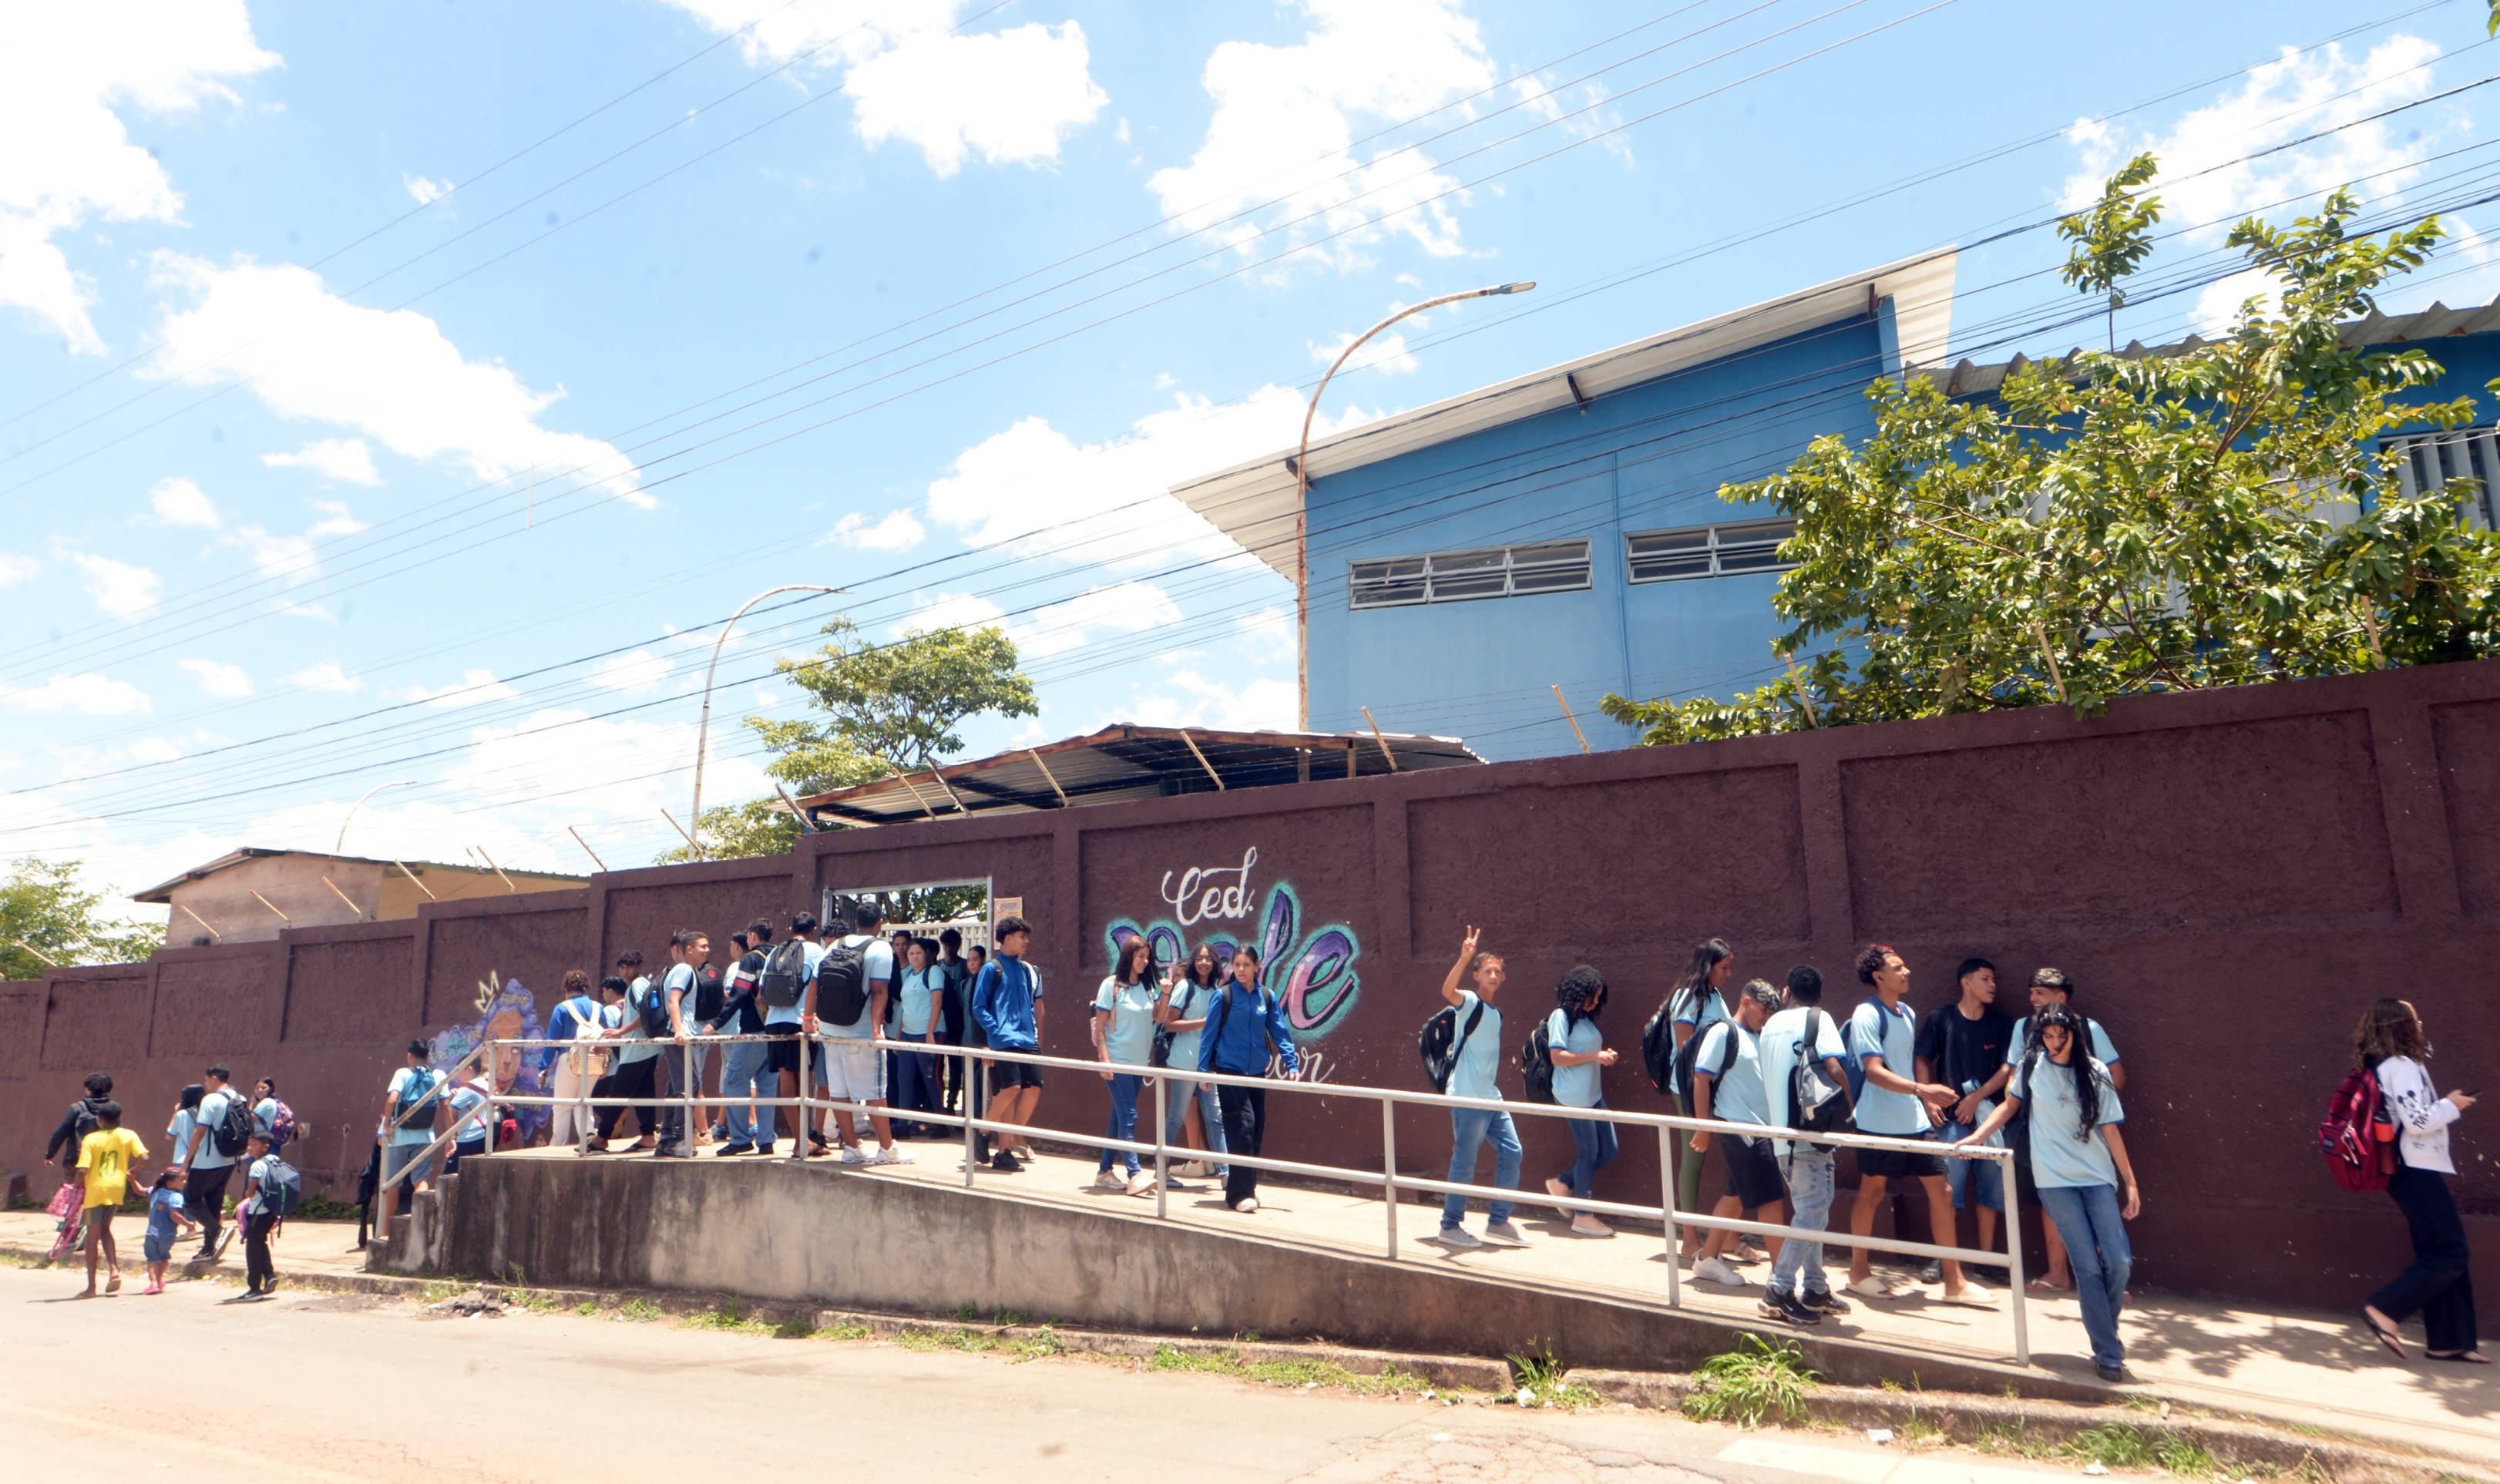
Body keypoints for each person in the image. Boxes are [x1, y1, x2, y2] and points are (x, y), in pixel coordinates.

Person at [1958, 1002, 2140, 1380]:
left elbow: (2110, 1129)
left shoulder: (2095, 1071)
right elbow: (2009, 1107)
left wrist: (2131, 1182)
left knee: (2120, 1261)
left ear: (2075, 1035)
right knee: (2087, 1266)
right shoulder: (2031, 1068)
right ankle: (2108, 1351)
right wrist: (1977, 1136)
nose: (2055, 1043)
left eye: (2062, 1035)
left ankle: (2105, 1331)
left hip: (2097, 1177)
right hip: (2054, 1180)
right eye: (2048, 1035)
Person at [1844, 945, 1989, 1304]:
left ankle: (1954, 1282)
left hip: (1913, 1121)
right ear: (1879, 976)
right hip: (1877, 1122)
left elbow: (1903, 1066)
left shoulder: (1907, 1012)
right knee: (1872, 1194)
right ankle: (1858, 1273)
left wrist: (1922, 1100)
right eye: (1898, 967)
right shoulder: (1866, 1014)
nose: (1906, 971)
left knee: (1943, 1192)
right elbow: (1873, 1071)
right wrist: (1923, 1090)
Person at [2352, 998, 2480, 1365]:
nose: (2420, 1025)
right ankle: (2384, 1309)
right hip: (2413, 1169)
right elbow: (2418, 1121)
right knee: (2452, 1251)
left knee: (2437, 1251)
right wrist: (2452, 1104)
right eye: (2415, 1020)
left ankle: (2449, 1343)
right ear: (2402, 1027)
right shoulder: (2402, 1066)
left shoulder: (2381, 1066)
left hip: (2406, 1169)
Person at [2009, 967, 2125, 1292]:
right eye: (2031, 992)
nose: (2033, 999)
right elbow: (2013, 1077)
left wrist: (2085, 1107)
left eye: (2041, 992)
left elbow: (2116, 1075)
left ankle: (2111, 1279)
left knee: (2097, 1208)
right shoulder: (2023, 1027)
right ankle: (2058, 1273)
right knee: (2054, 1203)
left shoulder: (2090, 1028)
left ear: (2062, 997)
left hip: (2088, 1141)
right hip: (2044, 1138)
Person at [1757, 964, 1853, 1324]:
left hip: (1782, 1138)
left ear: (1787, 991)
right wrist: (1851, 1108)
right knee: (1812, 1212)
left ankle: (1814, 1287)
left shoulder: (1770, 1025)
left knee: (1811, 1213)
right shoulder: (1819, 1018)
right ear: (1819, 994)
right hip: (1810, 1135)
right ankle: (1779, 1289)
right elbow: (1834, 1068)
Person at [1914, 958, 2014, 1281]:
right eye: (1986, 979)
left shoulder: (2002, 1024)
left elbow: (2007, 1069)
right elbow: (1921, 1058)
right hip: (1950, 1121)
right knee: (1947, 1190)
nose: (1993, 986)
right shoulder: (1941, 1018)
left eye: (1994, 980)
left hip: (1991, 1121)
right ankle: (1944, 1260)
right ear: (1966, 983)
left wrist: (1976, 1097)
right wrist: (1928, 1099)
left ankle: (1986, 1260)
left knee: (1992, 1191)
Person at [1689, 981, 1788, 1290]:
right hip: (1739, 1126)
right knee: (1771, 1199)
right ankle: (1782, 1276)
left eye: (1771, 1013)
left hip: (1761, 1128)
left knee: (1735, 1197)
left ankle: (1707, 1259)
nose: (1766, 1017)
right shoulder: (1723, 1032)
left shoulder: (1760, 1035)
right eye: (1763, 1010)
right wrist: (1703, 1127)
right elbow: (1701, 1078)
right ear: (1746, 1001)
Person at [1429, 927, 1521, 1249]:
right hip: (1467, 1097)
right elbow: (1447, 990)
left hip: (1491, 1098)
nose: (1493, 976)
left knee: (1513, 1152)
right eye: (1487, 971)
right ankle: (1450, 1226)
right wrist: (1465, 956)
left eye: (1498, 972)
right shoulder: (1469, 1002)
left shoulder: (1496, 1014)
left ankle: (1498, 1222)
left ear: (1503, 977)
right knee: (1465, 1160)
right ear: (1477, 975)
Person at [1199, 943, 1300, 1214]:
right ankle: (1238, 1195)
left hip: (1256, 1072)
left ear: (1257, 967)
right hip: (1230, 1071)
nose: (1241, 970)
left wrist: (1292, 1063)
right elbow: (1209, 1035)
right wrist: (1202, 1071)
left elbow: (1279, 1031)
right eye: (1237, 965)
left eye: (1246, 965)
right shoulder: (1224, 996)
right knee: (1242, 1127)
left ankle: (1247, 1189)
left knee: (1255, 1130)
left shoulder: (1266, 997)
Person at [1661, 939, 1737, 1261]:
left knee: (1736, 1154)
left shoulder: (1715, 996)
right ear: (1707, 966)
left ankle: (1728, 1236)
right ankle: (1689, 1239)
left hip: (1716, 1088)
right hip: (1690, 1089)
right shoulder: (1688, 997)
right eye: (1724, 968)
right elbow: (1686, 1048)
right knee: (1694, 1158)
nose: (1729, 974)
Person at [818, 901, 906, 1166]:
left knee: (839, 1091)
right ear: (879, 923)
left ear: (855, 922)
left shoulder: (836, 944)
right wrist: (877, 1030)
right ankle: (887, 1149)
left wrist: (810, 1018)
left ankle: (852, 1147)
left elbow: (815, 982)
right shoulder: (880, 948)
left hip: (830, 1030)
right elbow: (879, 991)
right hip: (861, 1032)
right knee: (875, 1091)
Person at [1542, 965, 1619, 1237]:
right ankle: (1583, 1216)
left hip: (1593, 1095)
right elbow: (1557, 1057)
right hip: (1574, 1097)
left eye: (1599, 997)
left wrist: (1603, 1055)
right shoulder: (1561, 1017)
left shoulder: (1584, 1019)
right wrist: (1595, 1056)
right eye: (1592, 996)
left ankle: (1562, 1183)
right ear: (1578, 992)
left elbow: (1586, 1051)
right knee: (1588, 1152)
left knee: (1609, 1150)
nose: (1596, 1002)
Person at [973, 915, 1046, 1173]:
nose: (1026, 942)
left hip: (1027, 1040)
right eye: (1022, 937)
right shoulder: (991, 968)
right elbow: (978, 1007)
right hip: (1003, 1040)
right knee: (1011, 1089)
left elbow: (1030, 1006)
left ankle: (1004, 1150)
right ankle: (984, 1132)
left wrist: (1034, 1036)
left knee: (1031, 1086)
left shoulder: (1025, 970)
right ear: (1007, 938)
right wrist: (995, 1034)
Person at [1090, 936, 1162, 1195]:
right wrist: (1104, 1060)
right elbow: (1100, 1028)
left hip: (1139, 1064)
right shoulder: (1111, 986)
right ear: (1129, 956)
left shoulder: (1147, 987)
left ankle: (1104, 1172)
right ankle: (1134, 1174)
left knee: (1119, 1116)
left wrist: (1165, 993)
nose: (1145, 961)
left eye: (1147, 957)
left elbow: (1158, 1018)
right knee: (1130, 1116)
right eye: (1140, 956)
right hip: (1117, 1061)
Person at [1157, 942, 1228, 1180]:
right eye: (1199, 958)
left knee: (1215, 1118)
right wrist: (1204, 1022)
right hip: (1183, 1062)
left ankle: (1226, 1173)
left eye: (1208, 959)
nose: (1204, 963)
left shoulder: (1216, 991)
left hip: (1207, 1065)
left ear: (1215, 963)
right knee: (1176, 1117)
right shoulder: (1185, 987)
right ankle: (1161, 1171)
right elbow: (1170, 1023)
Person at [711, 923, 776, 1155]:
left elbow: (739, 992)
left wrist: (717, 1022)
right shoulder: (778, 954)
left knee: (733, 1081)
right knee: (767, 1087)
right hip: (776, 1031)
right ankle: (766, 1140)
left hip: (753, 1030)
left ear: (752, 936)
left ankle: (740, 1139)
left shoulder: (751, 959)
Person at [590, 952, 664, 1153]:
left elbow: (645, 1013)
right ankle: (648, 1136)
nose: (625, 971)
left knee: (618, 1092)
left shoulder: (638, 985)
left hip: (637, 1050)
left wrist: (620, 1032)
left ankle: (601, 1138)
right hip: (645, 1049)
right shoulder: (640, 984)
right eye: (622, 967)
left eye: (629, 967)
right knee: (643, 1093)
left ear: (638, 966)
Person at [72, 1101, 143, 1297]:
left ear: (99, 1120)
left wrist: (74, 1186)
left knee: (92, 1237)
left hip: (96, 1190)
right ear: (120, 1117)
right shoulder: (129, 1135)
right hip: (117, 1188)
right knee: (105, 1230)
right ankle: (114, 1270)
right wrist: (134, 1171)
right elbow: (144, 1157)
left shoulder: (91, 1139)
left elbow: (83, 1170)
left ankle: (91, 1287)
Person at [375, 1039, 445, 1239]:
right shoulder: (438, 1075)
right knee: (421, 1179)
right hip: (425, 1136)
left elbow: (392, 1099)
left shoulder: (402, 1073)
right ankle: (420, 1226)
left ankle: (386, 1230)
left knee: (393, 1183)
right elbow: (446, 1104)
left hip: (399, 1137)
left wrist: (386, 1126)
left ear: (409, 1056)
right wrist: (451, 1136)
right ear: (428, 1056)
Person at [176, 1063, 244, 1264]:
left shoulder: (211, 1099)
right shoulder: (239, 1098)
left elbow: (199, 1132)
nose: (206, 1085)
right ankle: (208, 1248)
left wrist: (185, 1164)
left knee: (191, 1199)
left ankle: (216, 1230)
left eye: (206, 1081)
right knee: (213, 1202)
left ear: (214, 1078)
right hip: (229, 1159)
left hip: (207, 1161)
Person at [654, 928, 708, 1159]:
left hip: (679, 1034)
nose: (707, 950)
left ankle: (667, 1138)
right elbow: (673, 1000)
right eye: (702, 946)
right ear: (689, 949)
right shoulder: (684, 970)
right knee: (689, 1085)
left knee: (677, 1086)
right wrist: (679, 1030)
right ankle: (677, 1138)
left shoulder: (682, 970)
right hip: (679, 1035)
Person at [892, 937, 947, 1139]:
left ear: (926, 955)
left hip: (929, 1033)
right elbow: (906, 1007)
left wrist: (931, 1033)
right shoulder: (909, 975)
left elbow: (937, 1002)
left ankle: (942, 1123)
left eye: (918, 953)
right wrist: (899, 1035)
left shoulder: (933, 972)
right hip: (908, 1033)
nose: (914, 957)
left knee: (930, 1078)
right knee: (904, 1078)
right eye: (911, 953)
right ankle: (902, 1124)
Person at [545, 969, 603, 1148]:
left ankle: (558, 1144)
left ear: (567, 989)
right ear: (586, 988)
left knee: (562, 1105)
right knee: (584, 1100)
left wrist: (543, 1067)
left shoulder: (562, 1008)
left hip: (569, 1059)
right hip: (594, 1060)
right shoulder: (598, 1007)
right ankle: (588, 1136)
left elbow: (552, 1040)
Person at [235, 1130, 284, 1300]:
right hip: (272, 1210)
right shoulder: (275, 1161)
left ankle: (254, 1288)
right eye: (249, 1144)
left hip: (259, 1211)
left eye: (254, 1144)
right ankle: (269, 1275)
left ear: (265, 1146)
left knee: (252, 1249)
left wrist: (247, 1194)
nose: (250, 1148)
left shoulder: (257, 1165)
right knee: (260, 1243)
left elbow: (250, 1193)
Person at [44, 1072, 115, 1171]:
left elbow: (61, 1133)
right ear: (108, 1089)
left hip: (76, 1160)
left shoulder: (77, 1108)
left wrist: (50, 1155)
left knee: (73, 1182)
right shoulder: (114, 1109)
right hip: (105, 1162)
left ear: (88, 1089)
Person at [140, 1167, 195, 1295]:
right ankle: (159, 1281)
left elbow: (139, 1190)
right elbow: (175, 1215)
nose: (185, 1182)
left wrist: (131, 1179)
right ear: (170, 1183)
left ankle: (153, 1283)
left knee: (152, 1259)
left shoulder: (155, 1191)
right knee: (164, 1256)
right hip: (168, 1234)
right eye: (182, 1180)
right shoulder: (177, 1197)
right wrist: (189, 1225)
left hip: (152, 1233)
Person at [936, 928, 970, 1116]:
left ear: (958, 945)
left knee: (956, 1065)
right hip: (940, 1020)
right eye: (946, 945)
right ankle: (939, 1103)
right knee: (938, 1064)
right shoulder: (938, 966)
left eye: (952, 945)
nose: (949, 949)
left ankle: (952, 1103)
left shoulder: (965, 966)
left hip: (959, 1021)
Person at [444, 1064, 495, 1173]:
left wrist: (450, 1139)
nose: (457, 1074)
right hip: (486, 1135)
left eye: (459, 1070)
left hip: (469, 1137)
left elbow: (450, 1112)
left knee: (449, 1174)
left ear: (469, 1069)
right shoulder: (487, 1085)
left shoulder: (466, 1089)